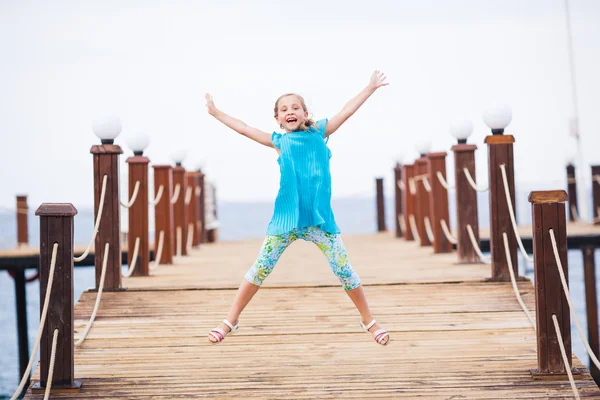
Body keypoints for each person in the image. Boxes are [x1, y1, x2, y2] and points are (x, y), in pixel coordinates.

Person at [204, 70, 390, 346]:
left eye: (295, 107)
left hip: (320, 221)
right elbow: (244, 128)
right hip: (285, 221)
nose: (289, 111)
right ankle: (230, 320)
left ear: (304, 113)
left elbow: (346, 112)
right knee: (259, 269)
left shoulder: (320, 133)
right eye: (283, 109)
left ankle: (369, 321)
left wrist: (370, 88)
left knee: (345, 271)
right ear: (278, 119)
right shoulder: (279, 141)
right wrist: (217, 113)